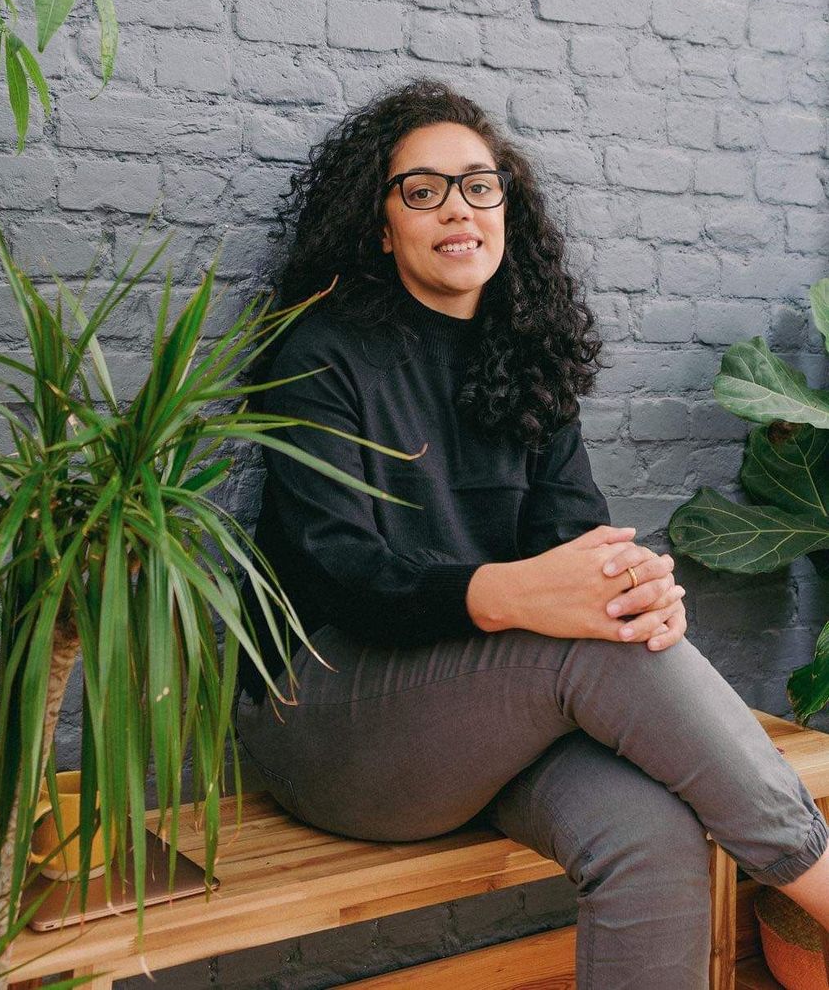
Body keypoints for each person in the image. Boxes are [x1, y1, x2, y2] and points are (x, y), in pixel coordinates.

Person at [234, 79, 829, 988]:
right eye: (422, 190)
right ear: (378, 222)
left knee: (647, 830)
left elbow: (575, 538)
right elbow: (339, 572)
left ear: (506, 205)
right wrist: (512, 593)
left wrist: (635, 587)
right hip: (325, 719)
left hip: (484, 723)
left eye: (479, 184)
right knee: (591, 653)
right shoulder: (322, 354)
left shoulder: (527, 355)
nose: (457, 209)